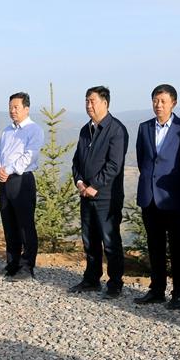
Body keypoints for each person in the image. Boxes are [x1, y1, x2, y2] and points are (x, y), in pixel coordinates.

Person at [133, 84, 180, 309]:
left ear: (173, 103)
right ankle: (157, 289)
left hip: (175, 197)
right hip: (149, 197)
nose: (158, 105)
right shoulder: (144, 128)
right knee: (155, 246)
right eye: (155, 100)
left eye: (163, 101)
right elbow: (143, 160)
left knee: (178, 247)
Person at [69, 86, 129, 298]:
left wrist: (95, 186)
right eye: (86, 101)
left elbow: (114, 165)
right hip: (85, 194)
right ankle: (91, 279)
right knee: (90, 240)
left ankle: (115, 283)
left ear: (105, 103)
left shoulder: (116, 129)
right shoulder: (86, 130)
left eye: (92, 101)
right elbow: (76, 161)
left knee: (110, 241)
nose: (88, 105)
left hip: (107, 197)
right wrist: (79, 183)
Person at [0, 92, 45, 280]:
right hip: (4, 180)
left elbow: (29, 156)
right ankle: (12, 263)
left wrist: (8, 169)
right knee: (9, 223)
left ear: (26, 109)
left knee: (25, 225)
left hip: (22, 180)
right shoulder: (7, 130)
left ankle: (27, 266)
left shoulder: (34, 130)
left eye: (16, 107)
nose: (12, 111)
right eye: (10, 107)